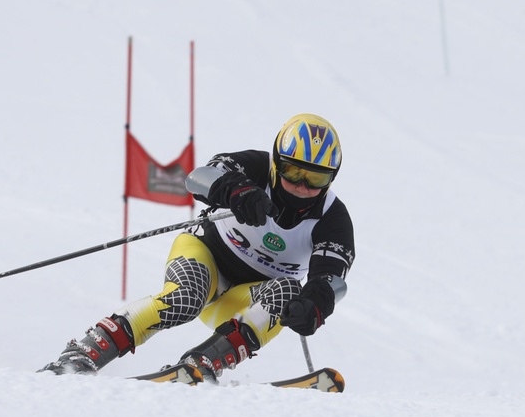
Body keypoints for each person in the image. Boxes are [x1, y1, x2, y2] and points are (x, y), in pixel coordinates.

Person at [40, 113, 355, 382]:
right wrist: (236, 190)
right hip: (205, 254)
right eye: (292, 171)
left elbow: (329, 280)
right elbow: (199, 178)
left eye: (315, 177)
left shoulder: (333, 220)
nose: (301, 186)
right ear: (277, 163)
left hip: (244, 297)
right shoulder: (257, 167)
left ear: (331, 178)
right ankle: (84, 353)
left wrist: (315, 306)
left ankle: (201, 365)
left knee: (290, 291)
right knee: (185, 298)